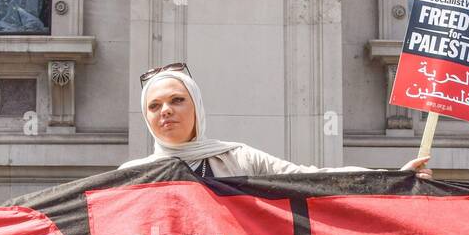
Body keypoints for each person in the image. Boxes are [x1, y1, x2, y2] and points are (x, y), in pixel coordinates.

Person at [120, 63, 433, 179]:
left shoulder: (240, 159)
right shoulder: (130, 177)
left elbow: (315, 180)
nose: (165, 111)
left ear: (197, 108)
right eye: (154, 105)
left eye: (177, 100)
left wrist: (393, 179)